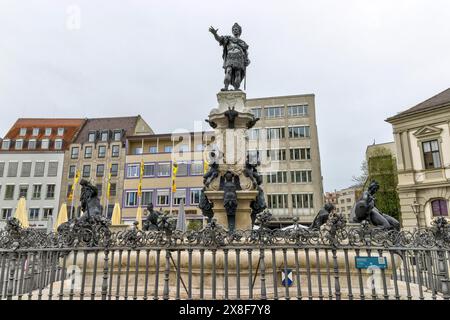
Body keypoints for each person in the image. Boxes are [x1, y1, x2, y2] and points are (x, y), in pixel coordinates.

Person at [209, 23, 250, 91]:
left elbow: (246, 54)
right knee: (228, 71)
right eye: (233, 29)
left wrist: (247, 60)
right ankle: (226, 87)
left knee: (237, 73)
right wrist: (215, 34)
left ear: (239, 31)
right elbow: (219, 39)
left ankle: (236, 88)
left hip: (239, 57)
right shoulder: (228, 39)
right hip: (230, 56)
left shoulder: (243, 43)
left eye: (236, 29)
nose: (234, 30)